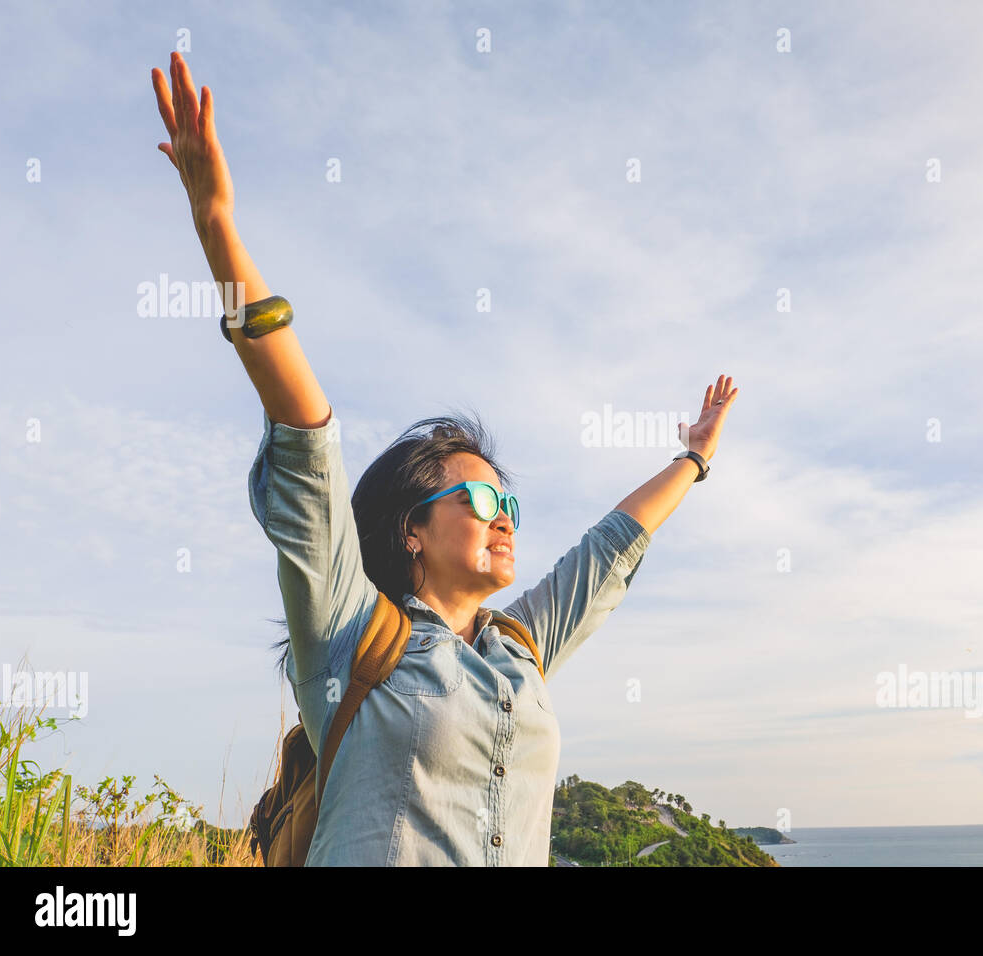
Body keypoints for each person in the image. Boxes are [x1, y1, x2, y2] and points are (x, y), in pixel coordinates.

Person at [151, 51, 740, 865]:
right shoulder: (353, 633)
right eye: (484, 503)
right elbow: (308, 440)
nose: (506, 523)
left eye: (513, 508)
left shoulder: (522, 646)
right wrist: (217, 226)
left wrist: (694, 461)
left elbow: (610, 549)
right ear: (413, 530)